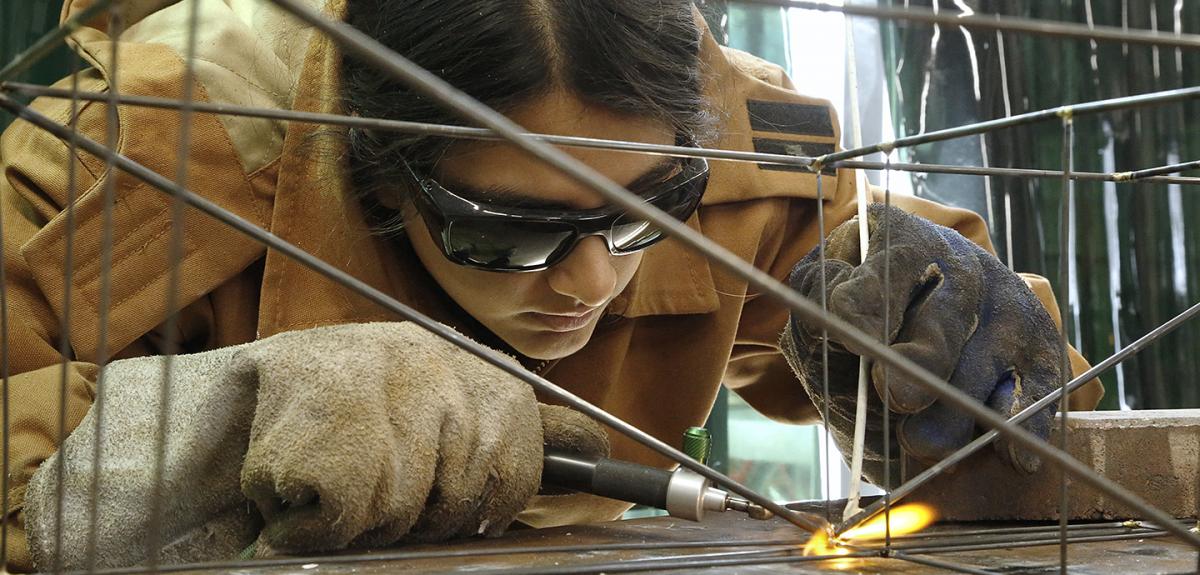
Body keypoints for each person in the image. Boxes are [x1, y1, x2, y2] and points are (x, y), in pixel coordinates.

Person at [0, 0, 1104, 571]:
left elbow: (1017, 396)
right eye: (511, 229)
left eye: (638, 216)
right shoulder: (151, 152)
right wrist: (237, 410)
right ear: (385, 177)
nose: (592, 280)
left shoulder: (730, 147)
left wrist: (932, 367)